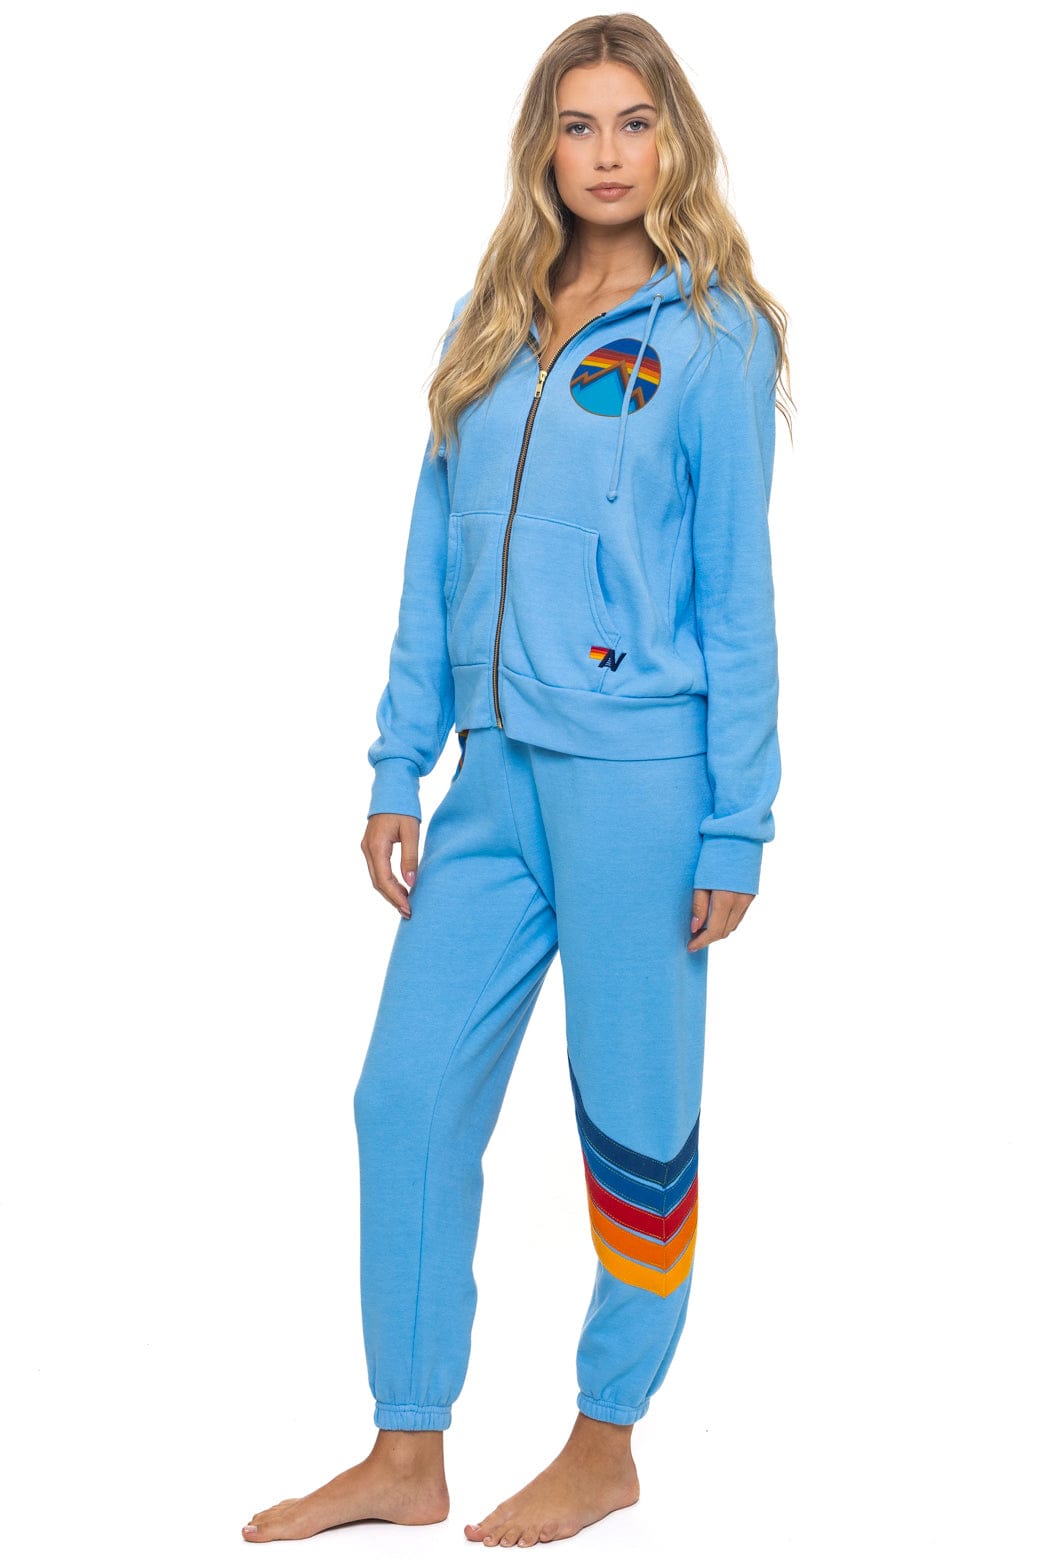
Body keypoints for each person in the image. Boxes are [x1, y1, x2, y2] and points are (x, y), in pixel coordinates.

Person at [243, 11, 792, 1549]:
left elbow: (738, 597)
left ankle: (606, 1439)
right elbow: (433, 561)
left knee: (635, 1121)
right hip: (490, 789)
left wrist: (737, 819)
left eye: (635, 123)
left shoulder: (716, 336)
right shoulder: (489, 322)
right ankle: (405, 1448)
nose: (607, 154)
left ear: (674, 140)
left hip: (643, 787)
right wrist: (395, 761)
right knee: (403, 1098)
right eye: (578, 124)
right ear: (543, 146)